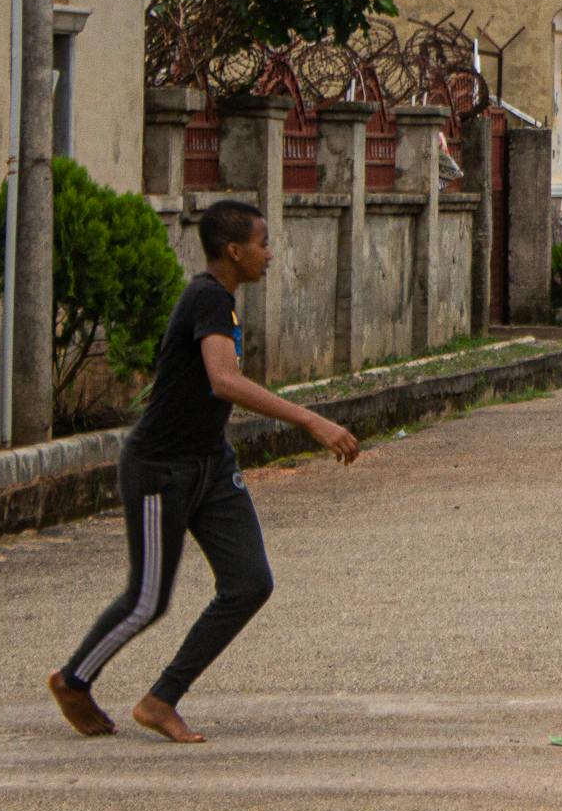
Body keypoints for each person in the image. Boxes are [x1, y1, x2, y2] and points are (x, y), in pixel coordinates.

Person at [45, 200, 362, 744]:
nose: (270, 253)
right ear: (234, 251)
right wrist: (310, 420)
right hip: (159, 469)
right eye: (263, 243)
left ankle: (161, 698)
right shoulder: (208, 297)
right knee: (148, 599)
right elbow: (224, 379)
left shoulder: (223, 301)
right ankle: (74, 680)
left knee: (249, 582)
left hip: (212, 464)